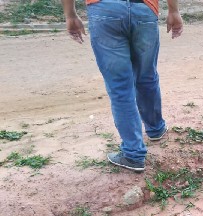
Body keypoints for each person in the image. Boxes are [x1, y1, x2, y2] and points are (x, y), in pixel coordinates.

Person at [62, 0, 183, 172]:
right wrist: (173, 10)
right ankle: (155, 129)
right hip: (144, 8)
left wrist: (70, 14)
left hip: (105, 10)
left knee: (120, 87)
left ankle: (133, 154)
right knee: (147, 76)